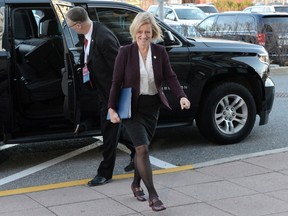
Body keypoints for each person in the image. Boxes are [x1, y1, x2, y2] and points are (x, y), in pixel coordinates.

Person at [108, 12, 191, 212]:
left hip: (152, 107)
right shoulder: (125, 52)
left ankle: (136, 184)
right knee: (142, 149)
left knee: (141, 149)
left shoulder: (160, 52)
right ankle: (153, 195)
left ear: (153, 33)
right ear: (134, 32)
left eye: (147, 32)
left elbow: (170, 77)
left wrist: (181, 95)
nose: (143, 36)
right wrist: (111, 108)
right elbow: (116, 82)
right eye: (140, 32)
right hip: (132, 108)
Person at [66, 6, 120, 186]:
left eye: (71, 26)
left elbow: (118, 72)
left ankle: (105, 173)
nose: (71, 29)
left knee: (109, 132)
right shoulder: (88, 34)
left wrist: (112, 103)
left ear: (79, 25)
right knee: (120, 129)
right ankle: (137, 151)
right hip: (99, 90)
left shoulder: (104, 38)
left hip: (111, 94)